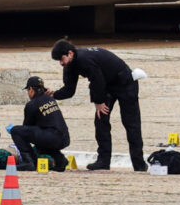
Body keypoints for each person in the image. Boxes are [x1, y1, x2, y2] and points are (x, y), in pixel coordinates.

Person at [48, 39, 147, 172]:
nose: (61, 63)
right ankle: (103, 161)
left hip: (125, 83)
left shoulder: (84, 59)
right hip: (107, 86)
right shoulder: (69, 65)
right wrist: (53, 95)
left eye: (62, 59)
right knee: (101, 122)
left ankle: (139, 164)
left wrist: (99, 102)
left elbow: (97, 80)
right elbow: (69, 90)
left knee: (131, 124)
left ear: (70, 53)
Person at [7, 76, 70, 172]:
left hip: (52, 136)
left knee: (16, 131)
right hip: (64, 138)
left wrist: (13, 131)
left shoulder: (31, 104)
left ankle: (29, 162)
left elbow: (26, 128)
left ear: (31, 89)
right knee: (41, 139)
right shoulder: (50, 99)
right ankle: (60, 159)